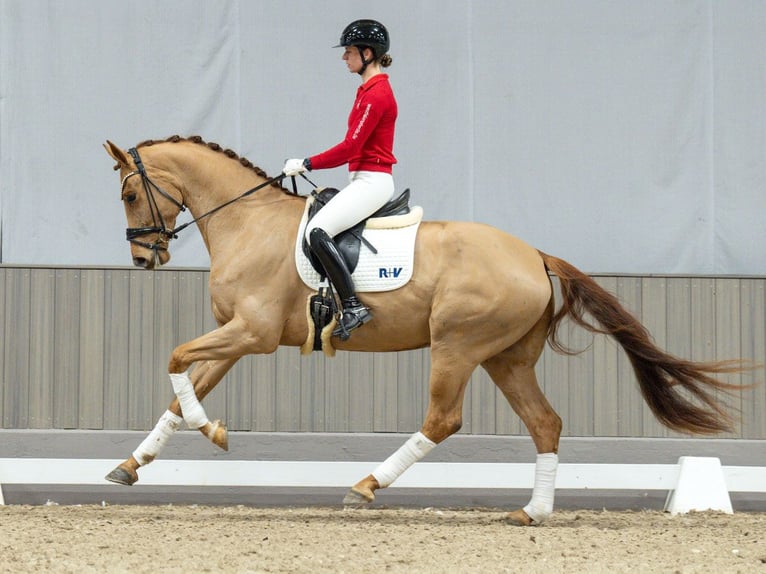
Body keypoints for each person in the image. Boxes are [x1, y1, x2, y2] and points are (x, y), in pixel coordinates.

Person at [283, 19, 398, 341]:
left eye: (349, 52)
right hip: (363, 178)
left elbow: (351, 148)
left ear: (367, 53)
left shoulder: (377, 95)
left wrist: (307, 163)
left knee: (317, 231)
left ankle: (353, 306)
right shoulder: (367, 91)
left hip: (372, 181)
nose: (344, 57)